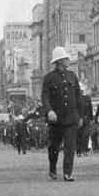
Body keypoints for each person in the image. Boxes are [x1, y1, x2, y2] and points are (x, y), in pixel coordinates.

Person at [41, 46, 85, 181]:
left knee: (70, 147)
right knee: (54, 146)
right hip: (56, 119)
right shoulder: (49, 78)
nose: (68, 60)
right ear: (59, 61)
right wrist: (49, 111)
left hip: (71, 118)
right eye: (66, 58)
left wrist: (81, 116)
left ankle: (68, 172)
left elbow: (79, 97)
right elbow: (45, 97)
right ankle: (53, 168)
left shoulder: (72, 76)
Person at [76, 84, 93, 157]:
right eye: (80, 90)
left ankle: (85, 150)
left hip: (86, 119)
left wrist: (91, 119)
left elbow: (90, 109)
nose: (81, 92)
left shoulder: (87, 98)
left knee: (86, 135)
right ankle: (78, 151)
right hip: (78, 119)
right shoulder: (75, 99)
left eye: (82, 90)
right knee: (78, 135)